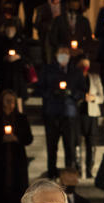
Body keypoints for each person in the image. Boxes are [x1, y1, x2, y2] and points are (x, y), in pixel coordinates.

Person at [37, 45, 82, 179]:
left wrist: (72, 94)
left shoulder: (75, 71)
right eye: (60, 53)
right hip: (51, 112)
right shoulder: (47, 70)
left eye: (66, 53)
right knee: (52, 146)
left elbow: (82, 90)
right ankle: (52, 173)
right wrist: (53, 92)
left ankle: (69, 174)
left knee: (70, 146)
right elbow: (39, 88)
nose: (63, 56)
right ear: (56, 55)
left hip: (69, 114)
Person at [75, 56, 104, 179]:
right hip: (77, 114)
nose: (85, 68)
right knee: (77, 144)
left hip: (91, 114)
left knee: (91, 144)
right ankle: (77, 169)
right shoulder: (74, 78)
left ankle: (89, 170)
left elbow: (101, 97)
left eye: (86, 65)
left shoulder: (94, 78)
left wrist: (93, 98)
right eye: (82, 65)